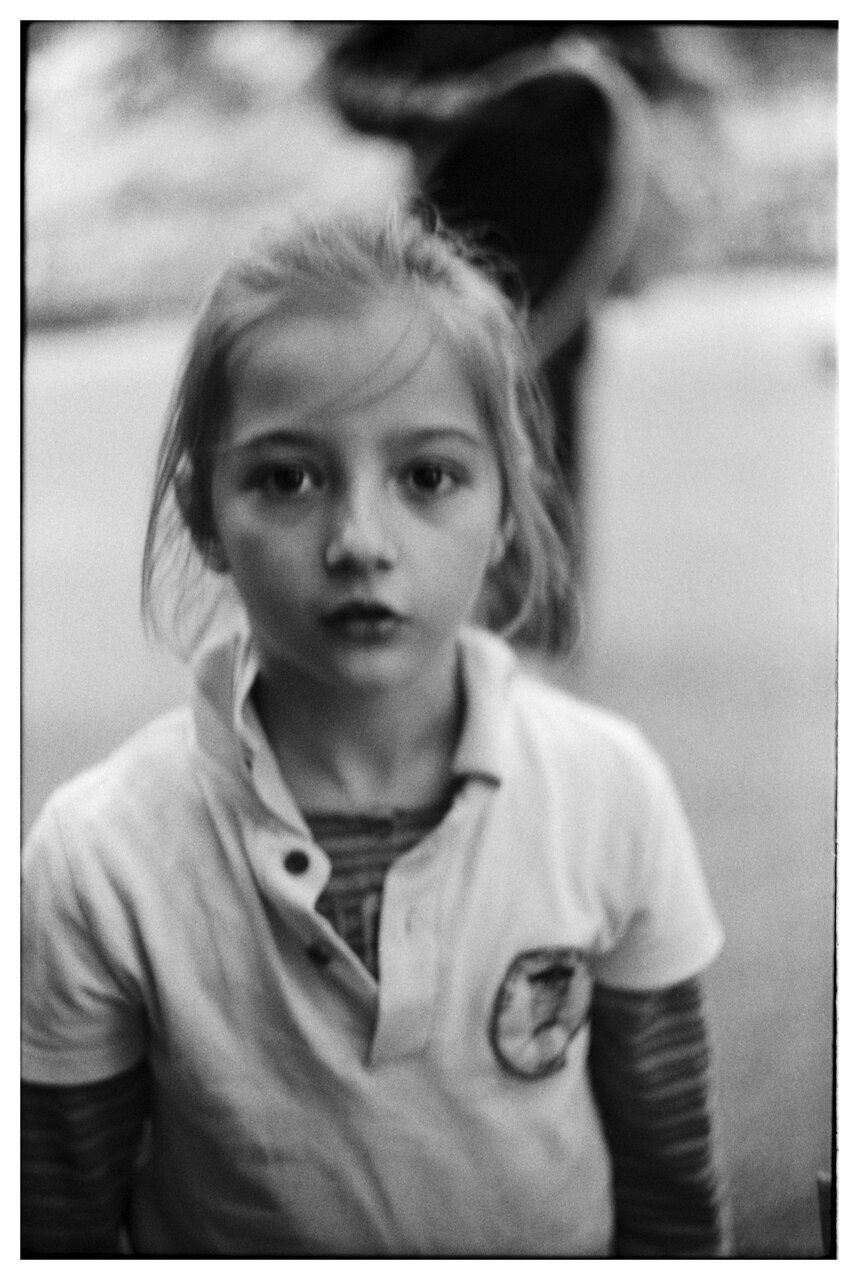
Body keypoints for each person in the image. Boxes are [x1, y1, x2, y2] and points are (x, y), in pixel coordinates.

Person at [22, 204, 730, 1258]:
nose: (359, 540)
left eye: (427, 476)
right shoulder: (101, 855)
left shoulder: (607, 790)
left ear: (506, 504)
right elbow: (56, 1222)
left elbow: (669, 1181)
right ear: (205, 512)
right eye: (287, 478)